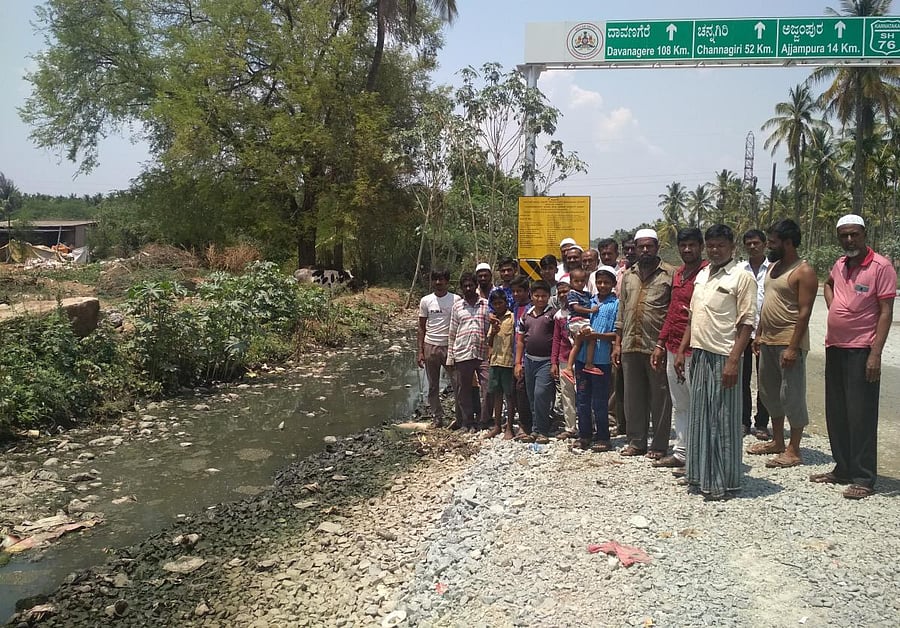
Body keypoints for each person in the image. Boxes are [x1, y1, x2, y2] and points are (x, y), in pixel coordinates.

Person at [815, 214, 896, 499]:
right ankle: (843, 468)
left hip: (862, 350)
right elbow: (827, 283)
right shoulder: (839, 264)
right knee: (837, 412)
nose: (849, 240)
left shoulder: (880, 266)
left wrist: (876, 353)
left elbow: (886, 311)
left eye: (854, 234)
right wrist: (834, 303)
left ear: (864, 234)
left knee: (861, 414)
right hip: (835, 346)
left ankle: (863, 476)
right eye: (844, 235)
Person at [675, 224, 756, 500]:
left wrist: (734, 360)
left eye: (721, 245)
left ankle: (724, 482)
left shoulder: (741, 277)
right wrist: (683, 348)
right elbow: (693, 315)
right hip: (699, 354)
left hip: (724, 356)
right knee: (700, 418)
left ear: (732, 247)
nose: (715, 249)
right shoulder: (703, 274)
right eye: (711, 245)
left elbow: (747, 323)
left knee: (722, 420)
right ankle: (699, 477)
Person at [746, 219, 817, 469]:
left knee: (792, 394)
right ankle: (777, 441)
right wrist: (759, 334)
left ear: (787, 242)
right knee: (769, 392)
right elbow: (767, 302)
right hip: (768, 340)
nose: (769, 246)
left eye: (773, 242)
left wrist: (793, 347)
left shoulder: (803, 271)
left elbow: (805, 312)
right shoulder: (774, 267)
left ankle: (794, 449)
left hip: (789, 341)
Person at [612, 228, 674, 459]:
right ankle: (636, 442)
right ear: (635, 249)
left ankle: (659, 445)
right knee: (633, 397)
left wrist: (662, 344)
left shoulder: (669, 274)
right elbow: (621, 311)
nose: (645, 250)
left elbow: (672, 312)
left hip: (656, 345)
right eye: (641, 246)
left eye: (649, 246)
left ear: (657, 247)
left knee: (660, 397)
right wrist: (617, 343)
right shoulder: (628, 275)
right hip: (630, 343)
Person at [651, 228, 708, 470]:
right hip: (674, 346)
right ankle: (682, 453)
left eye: (692, 245)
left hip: (696, 348)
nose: (687, 250)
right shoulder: (679, 274)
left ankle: (699, 457)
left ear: (701, 246)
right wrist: (660, 344)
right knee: (680, 402)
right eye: (683, 245)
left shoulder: (707, 273)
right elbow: (672, 312)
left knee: (699, 403)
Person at [572, 265, 618, 452]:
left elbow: (616, 333)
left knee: (599, 400)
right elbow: (576, 321)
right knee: (582, 398)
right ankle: (584, 435)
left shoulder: (616, 305)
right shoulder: (588, 302)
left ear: (613, 284)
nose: (602, 285)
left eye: (606, 282)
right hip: (582, 358)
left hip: (601, 361)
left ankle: (603, 437)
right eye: (599, 282)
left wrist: (597, 336)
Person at [446, 272, 489, 432]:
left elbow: (490, 328)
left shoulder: (486, 304)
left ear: (476, 286)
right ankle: (467, 421)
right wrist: (450, 357)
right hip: (462, 352)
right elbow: (452, 332)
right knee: (463, 389)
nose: (469, 288)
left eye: (471, 285)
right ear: (462, 288)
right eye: (465, 286)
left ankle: (484, 420)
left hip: (482, 352)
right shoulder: (457, 306)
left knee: (487, 386)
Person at [515, 280, 557, 443]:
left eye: (544, 296)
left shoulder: (552, 315)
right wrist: (518, 363)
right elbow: (520, 341)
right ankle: (535, 429)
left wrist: (554, 362)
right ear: (531, 296)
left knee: (541, 395)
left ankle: (543, 431)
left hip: (546, 362)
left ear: (548, 296)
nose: (540, 299)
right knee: (532, 396)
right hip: (529, 360)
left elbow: (556, 340)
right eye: (537, 296)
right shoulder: (526, 315)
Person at [740, 229, 771, 439]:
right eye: (749, 243)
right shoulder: (739, 270)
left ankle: (762, 423)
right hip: (743, 331)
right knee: (741, 379)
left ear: (764, 244)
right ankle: (743, 421)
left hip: (766, 332)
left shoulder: (773, 270)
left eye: (756, 243)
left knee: (764, 380)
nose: (752, 247)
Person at [417, 269, 458, 427]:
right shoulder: (426, 301)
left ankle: (460, 417)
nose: (438, 283)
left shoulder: (456, 299)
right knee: (433, 385)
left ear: (447, 281)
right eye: (435, 279)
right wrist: (419, 351)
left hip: (449, 346)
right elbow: (421, 327)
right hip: (430, 346)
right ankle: (437, 417)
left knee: (457, 383)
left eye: (441, 279)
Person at [485, 289, 516, 440]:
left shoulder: (512, 318)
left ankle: (509, 426)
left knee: (509, 395)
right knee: (496, 394)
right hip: (495, 362)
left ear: (506, 302)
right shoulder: (493, 320)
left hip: (508, 363)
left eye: (500, 303)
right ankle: (497, 425)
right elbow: (489, 342)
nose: (498, 306)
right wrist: (493, 332)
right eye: (495, 304)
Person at [562, 267, 603, 382]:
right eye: (576, 281)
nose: (580, 283)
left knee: (578, 344)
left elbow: (595, 298)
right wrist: (591, 311)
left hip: (582, 321)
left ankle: (569, 368)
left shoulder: (586, 294)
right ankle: (588, 364)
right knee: (592, 337)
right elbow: (576, 308)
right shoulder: (572, 294)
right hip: (577, 321)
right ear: (571, 282)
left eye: (582, 281)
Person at [550, 279, 578, 440]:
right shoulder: (559, 316)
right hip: (563, 359)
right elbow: (556, 339)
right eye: (560, 292)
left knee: (583, 393)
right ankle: (570, 427)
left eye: (565, 291)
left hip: (580, 359)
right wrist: (554, 362)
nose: (563, 295)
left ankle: (590, 426)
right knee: (567, 394)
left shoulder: (582, 309)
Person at [509, 275, 534, 436]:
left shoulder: (531, 309)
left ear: (527, 291)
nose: (516, 294)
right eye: (514, 292)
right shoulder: (514, 309)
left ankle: (526, 425)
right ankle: (521, 422)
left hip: (528, 357)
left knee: (524, 391)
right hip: (514, 355)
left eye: (520, 291)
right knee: (516, 390)